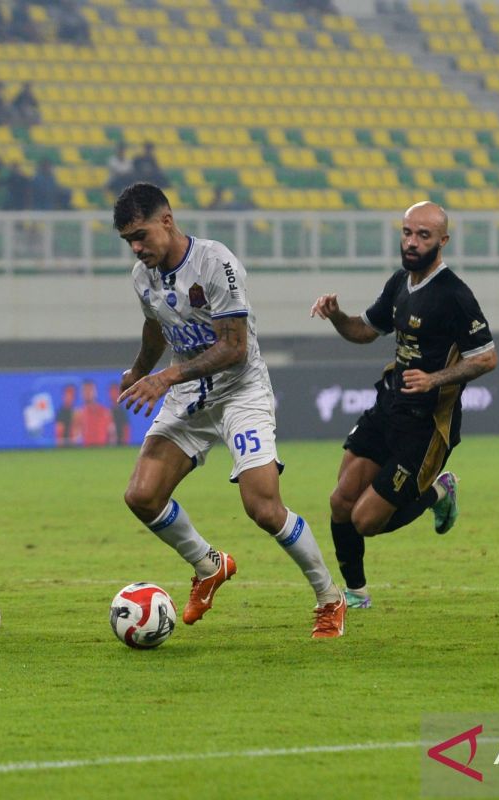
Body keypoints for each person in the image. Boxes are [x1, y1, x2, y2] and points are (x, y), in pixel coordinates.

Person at [114, 183, 346, 638]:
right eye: (128, 242)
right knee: (141, 496)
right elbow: (154, 326)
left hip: (241, 392)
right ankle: (208, 565)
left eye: (141, 236)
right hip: (190, 396)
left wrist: (164, 378)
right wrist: (140, 369)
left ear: (167, 220)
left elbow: (234, 348)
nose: (137, 248)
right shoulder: (142, 276)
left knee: (262, 507)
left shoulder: (215, 263)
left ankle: (330, 598)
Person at [310, 201, 498, 610]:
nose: (412, 242)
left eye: (423, 236)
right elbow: (364, 330)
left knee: (365, 520)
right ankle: (356, 594)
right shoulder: (400, 282)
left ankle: (438, 491)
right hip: (387, 408)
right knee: (340, 500)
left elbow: (486, 357)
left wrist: (434, 379)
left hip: (426, 426)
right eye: (408, 233)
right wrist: (336, 315)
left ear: (443, 241)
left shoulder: (455, 295)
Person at [74, 379, 113, 446]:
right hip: (86, 449)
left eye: (90, 390)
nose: (87, 393)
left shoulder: (105, 412)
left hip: (103, 449)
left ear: (95, 392)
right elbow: (75, 436)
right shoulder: (79, 413)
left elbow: (111, 433)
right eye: (85, 390)